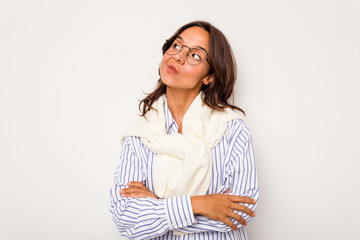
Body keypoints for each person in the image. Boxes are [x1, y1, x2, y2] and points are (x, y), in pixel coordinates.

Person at [110, 20, 259, 240]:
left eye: (195, 55)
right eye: (176, 46)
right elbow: (125, 217)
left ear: (209, 77)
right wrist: (198, 204)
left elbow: (238, 213)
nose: (178, 56)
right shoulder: (141, 135)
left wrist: (157, 207)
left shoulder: (231, 129)